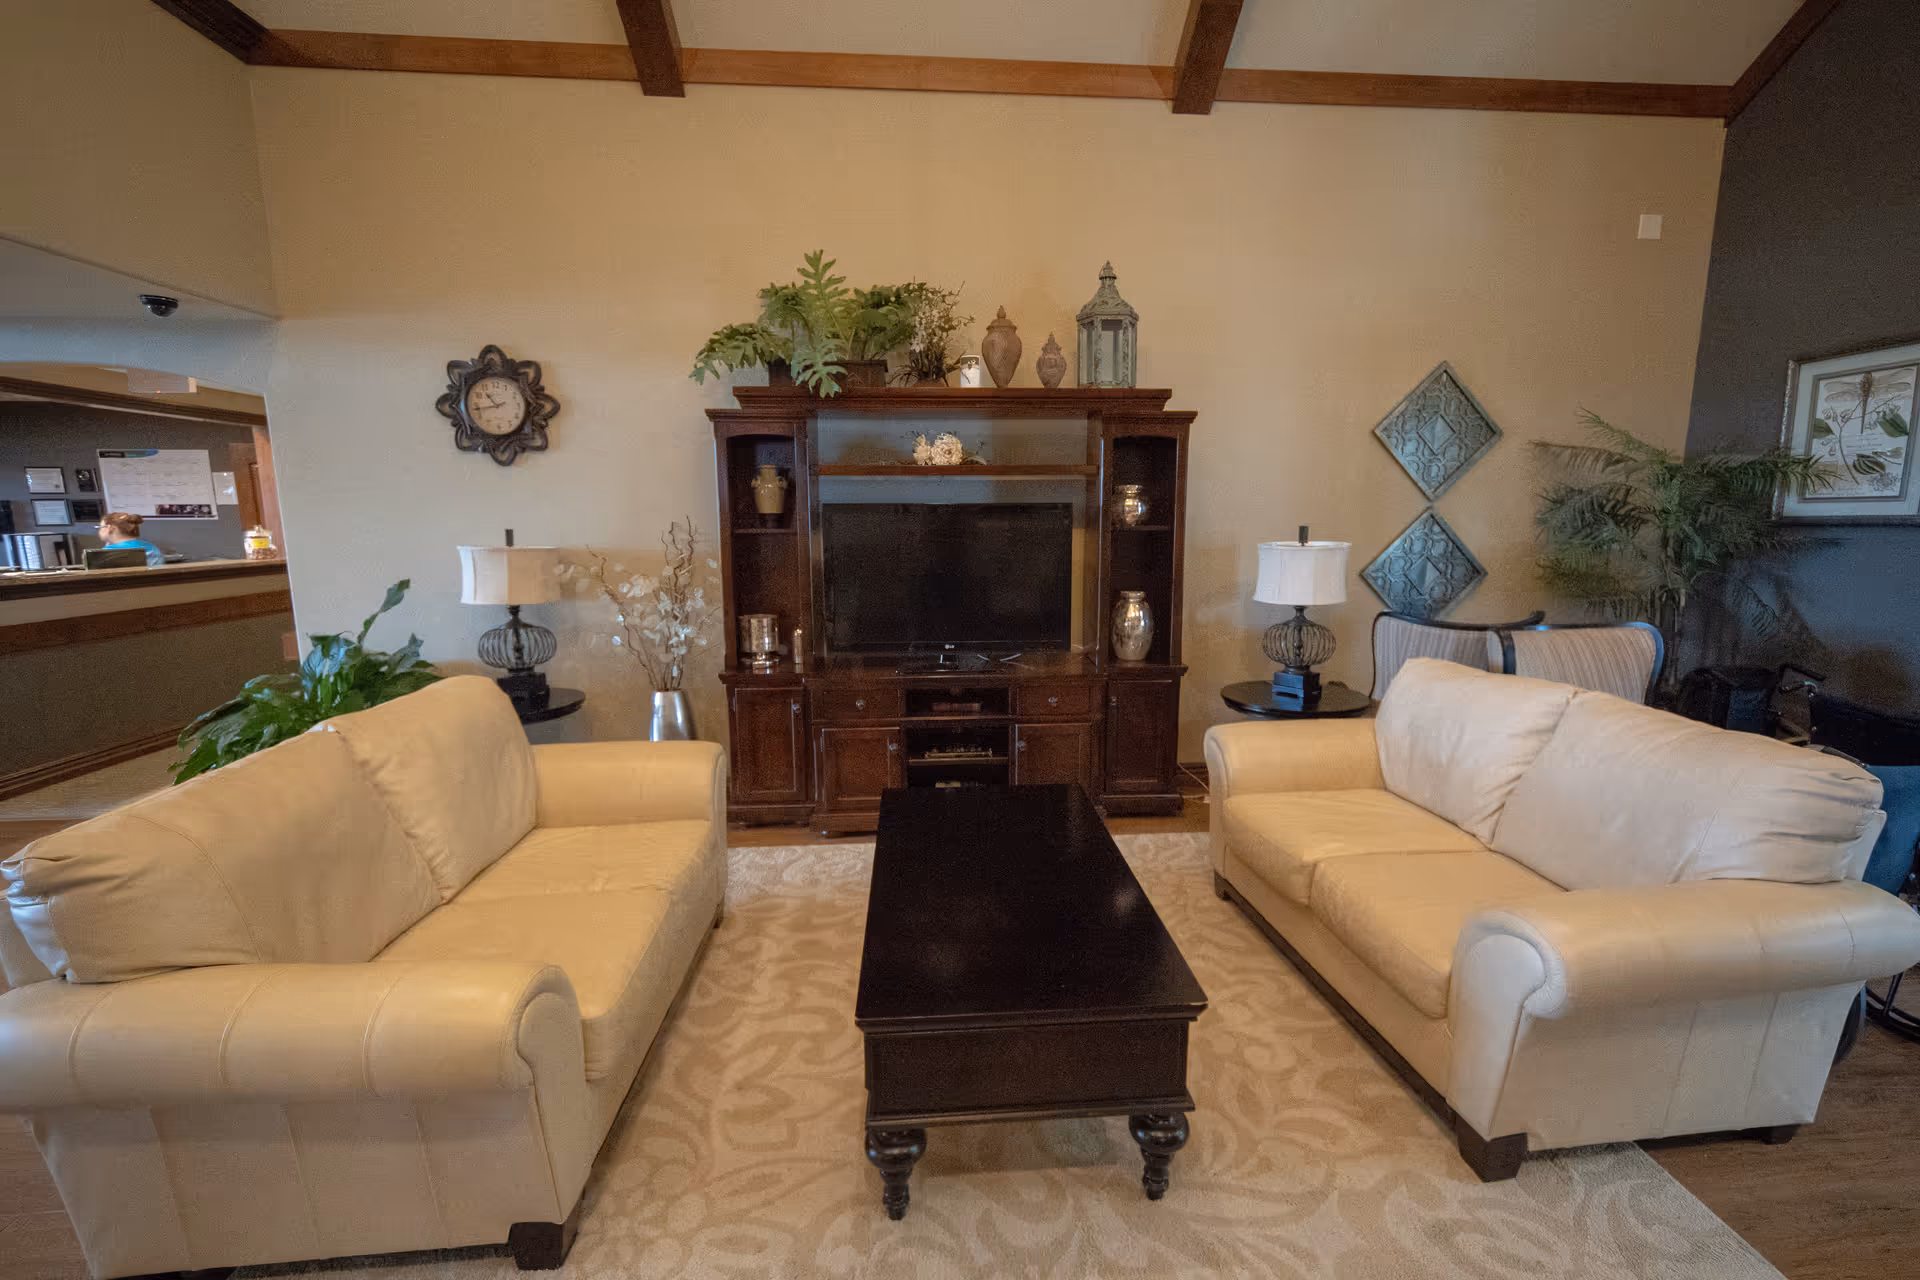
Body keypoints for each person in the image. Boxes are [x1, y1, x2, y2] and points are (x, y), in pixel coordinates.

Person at [96, 512, 165, 567]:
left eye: (100, 527)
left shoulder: (107, 553)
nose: (99, 530)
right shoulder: (152, 548)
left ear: (110, 528)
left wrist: (106, 548)